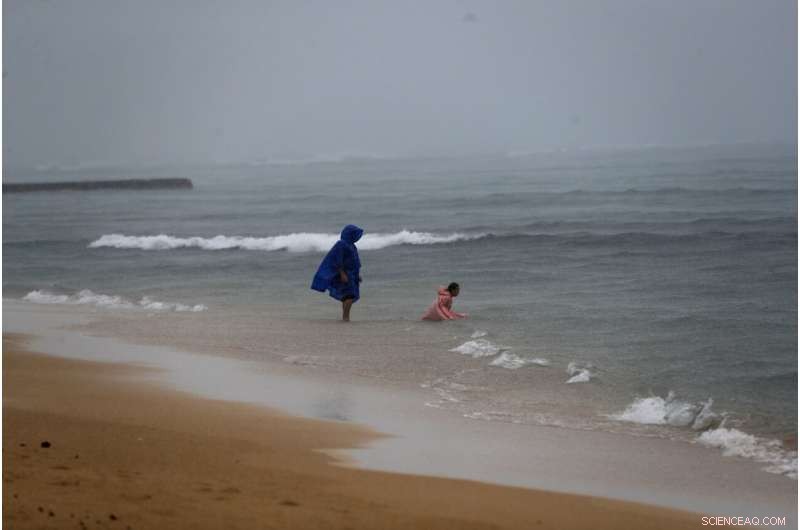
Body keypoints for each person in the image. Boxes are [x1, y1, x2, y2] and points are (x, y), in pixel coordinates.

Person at [311, 224, 363, 321]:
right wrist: (342, 274)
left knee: (347, 296)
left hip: (352, 274)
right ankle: (345, 317)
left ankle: (345, 317)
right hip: (344, 273)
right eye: (354, 234)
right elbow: (337, 259)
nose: (357, 236)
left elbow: (355, 261)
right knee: (349, 296)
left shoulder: (352, 245)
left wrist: (357, 275)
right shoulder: (341, 244)